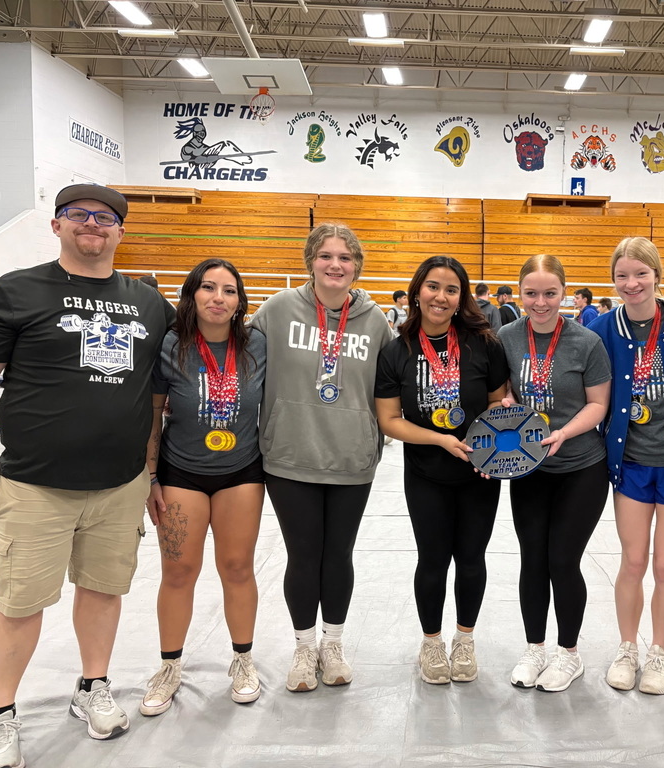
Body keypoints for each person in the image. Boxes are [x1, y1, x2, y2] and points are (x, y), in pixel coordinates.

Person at [0, 184, 174, 766]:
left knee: (103, 591)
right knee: (19, 603)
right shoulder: (17, 291)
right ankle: (1, 716)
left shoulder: (148, 302)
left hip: (120, 483)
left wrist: (153, 469)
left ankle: (92, 686)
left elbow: (157, 396)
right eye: (79, 215)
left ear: (121, 230)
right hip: (37, 482)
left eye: (106, 217)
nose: (94, 224)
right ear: (57, 225)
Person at [251, 223, 393, 692]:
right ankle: (303, 646)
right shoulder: (277, 309)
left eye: (345, 258)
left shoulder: (375, 322)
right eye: (326, 256)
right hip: (290, 455)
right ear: (310, 261)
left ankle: (333, 644)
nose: (336, 265)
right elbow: (241, 364)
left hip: (351, 458)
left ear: (357, 266)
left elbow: (391, 389)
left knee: (339, 555)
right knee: (303, 554)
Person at [140, 259, 267, 716]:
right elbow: (154, 413)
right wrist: (151, 475)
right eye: (209, 288)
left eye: (229, 290)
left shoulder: (257, 345)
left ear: (239, 301)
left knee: (237, 566)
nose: (219, 297)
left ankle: (242, 660)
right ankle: (169, 667)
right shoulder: (172, 345)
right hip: (181, 472)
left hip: (241, 471)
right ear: (192, 295)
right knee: (179, 571)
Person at [376, 256, 509, 685]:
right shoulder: (396, 351)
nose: (441, 296)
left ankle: (465, 640)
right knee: (432, 560)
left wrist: (489, 451)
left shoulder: (483, 345)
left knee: (471, 559)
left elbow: (497, 402)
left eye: (452, 290)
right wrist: (439, 440)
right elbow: (389, 420)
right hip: (426, 474)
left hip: (478, 475)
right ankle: (432, 643)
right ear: (417, 291)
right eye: (433, 286)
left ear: (461, 298)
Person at [589, 236, 664, 695]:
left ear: (657, 275)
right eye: (622, 275)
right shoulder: (603, 328)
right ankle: (627, 647)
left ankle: (659, 652)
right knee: (633, 559)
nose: (631, 283)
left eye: (640, 273)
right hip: (631, 463)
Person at [498, 255, 611, 692]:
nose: (540, 302)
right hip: (529, 468)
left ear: (565, 292)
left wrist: (563, 432)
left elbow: (598, 404)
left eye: (550, 293)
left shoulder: (586, 342)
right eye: (531, 293)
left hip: (580, 466)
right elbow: (501, 387)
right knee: (533, 560)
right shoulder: (507, 337)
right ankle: (535, 647)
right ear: (520, 293)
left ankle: (568, 654)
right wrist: (506, 400)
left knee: (563, 560)